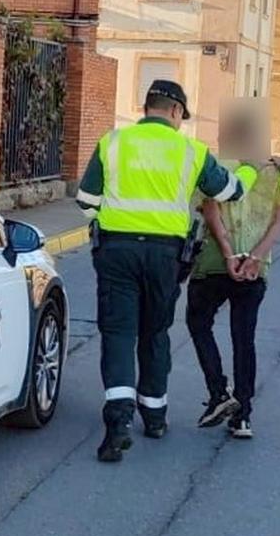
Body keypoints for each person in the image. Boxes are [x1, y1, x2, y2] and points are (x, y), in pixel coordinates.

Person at [76, 80, 258, 463]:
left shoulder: (113, 142)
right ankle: (154, 417)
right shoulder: (190, 151)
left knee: (119, 333)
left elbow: (86, 201)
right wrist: (250, 175)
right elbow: (229, 191)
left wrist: (109, 223)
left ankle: (118, 425)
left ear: (148, 108)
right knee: (155, 333)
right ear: (175, 112)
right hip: (165, 256)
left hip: (117, 251)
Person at [187, 155, 280, 440]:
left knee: (198, 323)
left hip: (213, 264)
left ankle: (219, 392)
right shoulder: (273, 172)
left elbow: (210, 208)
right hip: (255, 269)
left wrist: (228, 253)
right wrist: (255, 256)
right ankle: (243, 416)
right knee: (244, 338)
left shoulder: (216, 166)